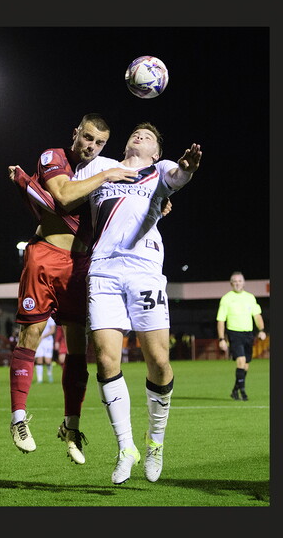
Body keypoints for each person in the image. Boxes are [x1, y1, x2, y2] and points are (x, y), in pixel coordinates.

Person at [6, 113, 140, 464]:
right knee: (31, 336)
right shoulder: (55, 158)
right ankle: (18, 418)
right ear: (76, 133)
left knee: (78, 348)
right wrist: (107, 174)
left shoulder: (99, 173)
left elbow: (126, 208)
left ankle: (71, 427)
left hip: (81, 266)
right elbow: (63, 197)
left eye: (99, 143)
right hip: (45, 256)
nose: (91, 146)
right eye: (87, 137)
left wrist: (157, 206)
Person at [86, 123, 201, 484]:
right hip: (102, 269)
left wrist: (188, 169)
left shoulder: (158, 169)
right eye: (135, 133)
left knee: (160, 361)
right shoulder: (101, 167)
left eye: (147, 136)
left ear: (154, 152)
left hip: (144, 270)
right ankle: (126, 448)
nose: (139, 137)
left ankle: (155, 443)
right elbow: (67, 192)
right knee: (106, 359)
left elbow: (177, 176)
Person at [216, 271, 267, 401]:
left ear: (243, 283)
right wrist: (221, 339)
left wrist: (261, 330)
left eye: (240, 281)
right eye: (235, 281)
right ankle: (243, 392)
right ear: (231, 283)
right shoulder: (226, 298)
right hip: (234, 333)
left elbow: (257, 315)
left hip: (248, 334)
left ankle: (235, 390)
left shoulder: (250, 297)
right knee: (241, 360)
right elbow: (221, 320)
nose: (238, 284)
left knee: (246, 364)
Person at [34, 317, 56, 383]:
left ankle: (49, 374)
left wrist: (43, 336)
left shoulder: (50, 318)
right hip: (38, 341)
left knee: (48, 361)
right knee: (39, 359)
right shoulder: (36, 317)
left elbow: (52, 330)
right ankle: (39, 379)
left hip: (48, 341)